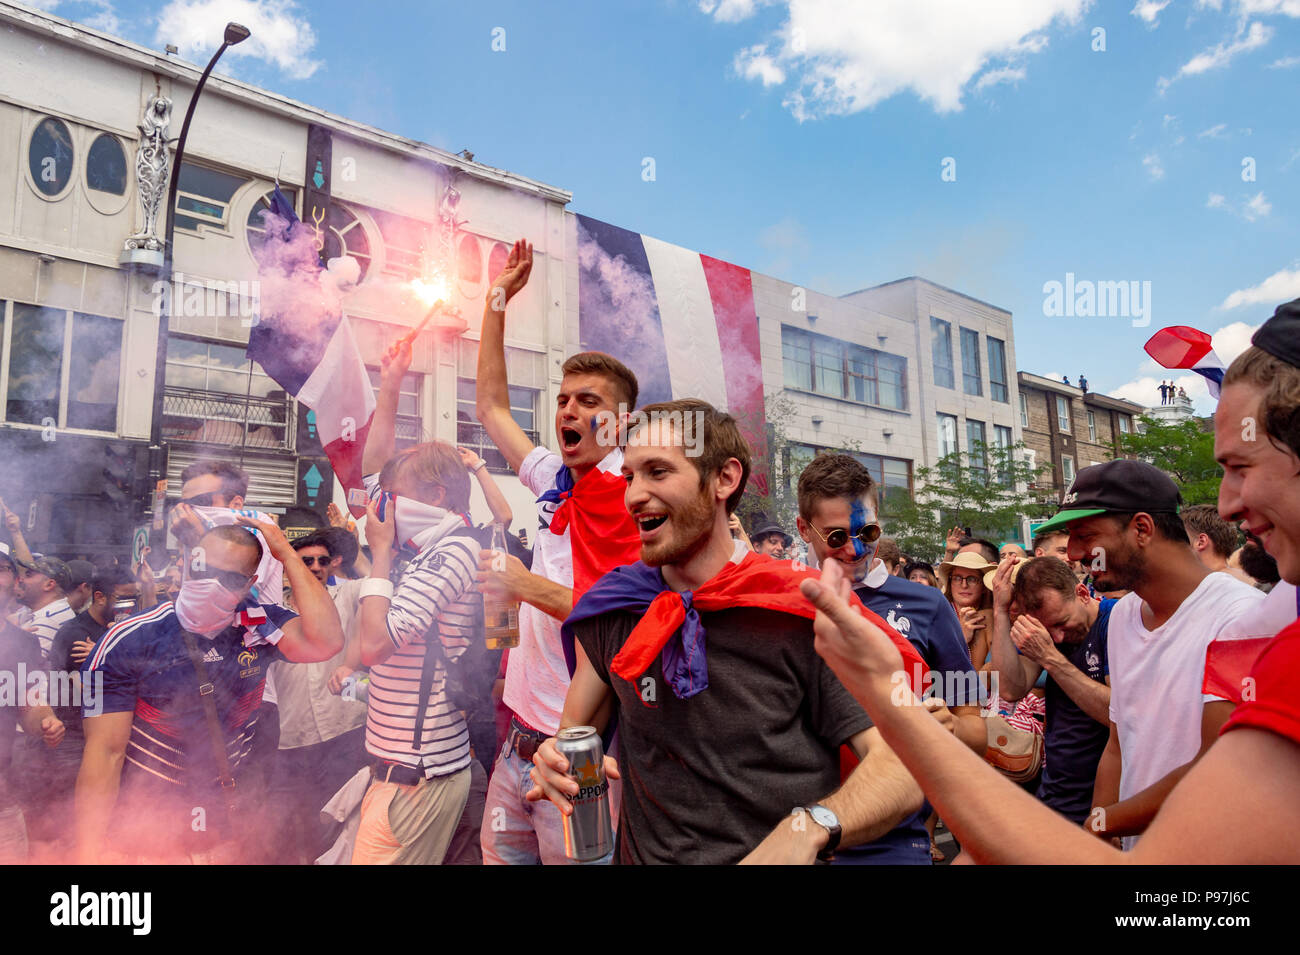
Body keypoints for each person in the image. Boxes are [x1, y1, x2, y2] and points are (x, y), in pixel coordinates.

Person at [793, 297, 1300, 863]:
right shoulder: (1129, 617)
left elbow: (1207, 785)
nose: (1077, 554)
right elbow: (1114, 737)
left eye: (1240, 468)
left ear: (1139, 528)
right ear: (804, 529)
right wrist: (1098, 825)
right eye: (835, 536)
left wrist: (895, 708)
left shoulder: (1253, 619)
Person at [528, 400, 927, 864]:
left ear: (724, 478)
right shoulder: (617, 605)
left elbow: (902, 764)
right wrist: (552, 759)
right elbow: (574, 737)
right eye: (630, 477)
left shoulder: (803, 607)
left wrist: (808, 830)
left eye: (658, 471)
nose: (634, 495)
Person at [473, 238, 642, 865]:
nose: (568, 410)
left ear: (621, 423)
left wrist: (525, 587)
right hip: (516, 740)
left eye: (589, 402)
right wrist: (495, 300)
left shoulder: (637, 500)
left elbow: (626, 622)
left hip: (581, 754)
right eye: (565, 400)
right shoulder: (555, 479)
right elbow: (490, 406)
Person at [76, 522, 343, 863]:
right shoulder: (127, 640)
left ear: (250, 584)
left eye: (230, 578)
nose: (212, 583)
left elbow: (327, 643)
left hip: (229, 829)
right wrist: (88, 854)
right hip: (148, 830)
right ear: (188, 562)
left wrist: (286, 553)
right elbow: (104, 756)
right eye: (205, 569)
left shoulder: (258, 623)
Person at [795, 453, 985, 865]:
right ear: (803, 529)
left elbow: (974, 727)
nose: (854, 549)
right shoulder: (780, 600)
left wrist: (945, 729)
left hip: (892, 839)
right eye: (835, 537)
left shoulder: (929, 604)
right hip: (795, 836)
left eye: (868, 531)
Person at [349, 341, 485, 866]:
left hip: (416, 776)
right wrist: (390, 386)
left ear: (433, 497)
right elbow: (373, 473)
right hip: (404, 772)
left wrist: (379, 553)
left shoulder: (454, 550)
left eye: (392, 498)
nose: (380, 509)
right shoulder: (422, 544)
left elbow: (375, 646)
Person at [264, 529, 369, 864]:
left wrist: (360, 551)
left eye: (323, 560)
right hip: (293, 737)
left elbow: (380, 585)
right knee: (296, 823)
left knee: (342, 819)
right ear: (290, 566)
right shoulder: (270, 611)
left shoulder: (348, 596)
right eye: (306, 560)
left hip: (344, 730)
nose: (316, 566)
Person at [988, 556, 1112, 824]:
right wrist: (999, 610)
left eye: (1062, 622)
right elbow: (1010, 689)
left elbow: (1118, 714)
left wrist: (1051, 659)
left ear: (1082, 593)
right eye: (1047, 629)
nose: (1057, 638)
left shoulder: (1114, 620)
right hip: (1057, 793)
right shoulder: (1046, 632)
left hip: (1107, 800)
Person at [0, 543, 65, 864]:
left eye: (2, 569)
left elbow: (29, 703)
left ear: (15, 583)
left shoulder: (23, 641)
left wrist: (46, 721)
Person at [938, 551, 997, 669]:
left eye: (972, 579)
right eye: (957, 578)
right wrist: (960, 639)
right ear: (950, 583)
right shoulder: (936, 615)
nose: (964, 585)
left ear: (984, 587)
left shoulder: (992, 617)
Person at [13, 555, 75, 660]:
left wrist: (11, 638)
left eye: (28, 575)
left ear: (49, 585)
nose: (20, 580)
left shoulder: (48, 620)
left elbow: (22, 667)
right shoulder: (38, 610)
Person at [1181, 503, 1251, 583]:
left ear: (1201, 542)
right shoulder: (1251, 582)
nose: (1174, 545)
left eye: (1178, 538)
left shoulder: (1205, 585)